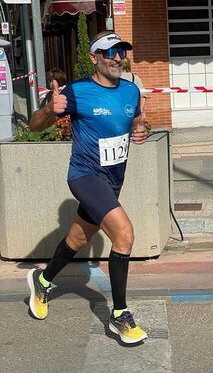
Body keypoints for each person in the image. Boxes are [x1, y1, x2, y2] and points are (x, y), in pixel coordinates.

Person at [27, 31, 149, 345]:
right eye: (109, 53)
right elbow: (34, 125)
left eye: (121, 52)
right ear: (94, 58)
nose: (117, 58)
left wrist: (141, 130)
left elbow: (137, 122)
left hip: (112, 181)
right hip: (84, 176)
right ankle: (119, 315)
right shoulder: (77, 92)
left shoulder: (131, 91)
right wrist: (48, 111)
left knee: (78, 238)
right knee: (124, 235)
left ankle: (42, 280)